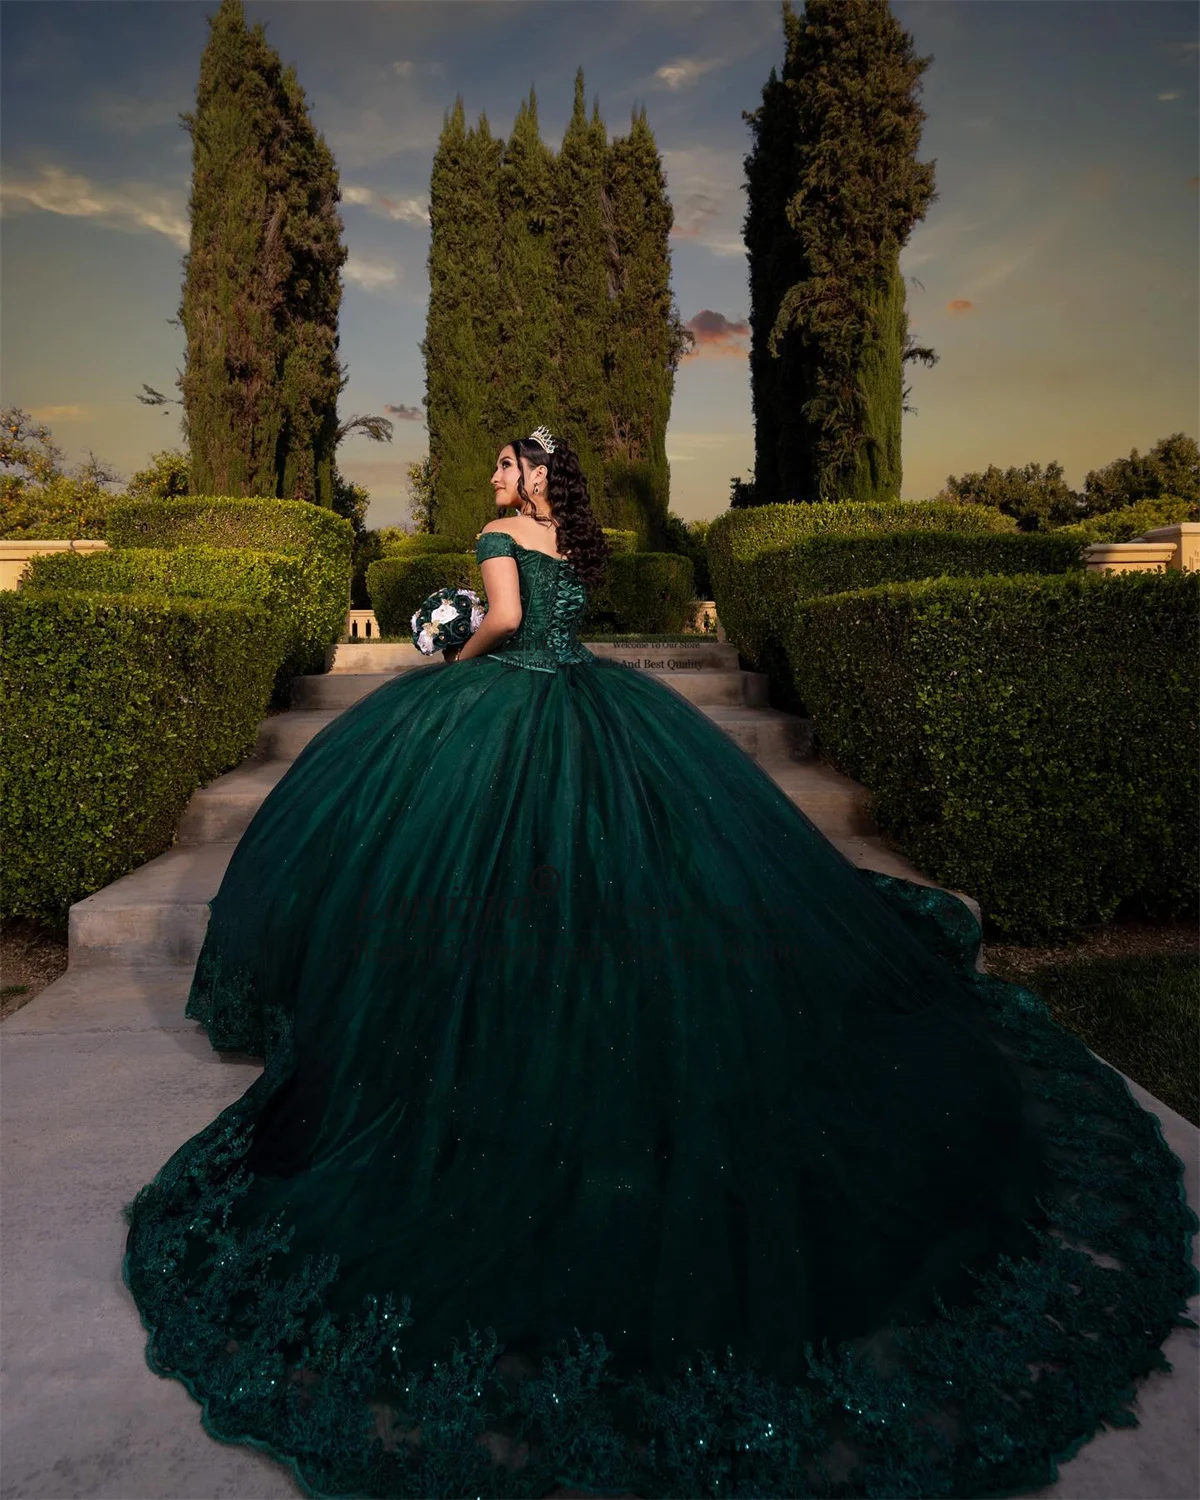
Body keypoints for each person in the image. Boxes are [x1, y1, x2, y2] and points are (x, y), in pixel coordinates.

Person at [122, 428, 1197, 1500]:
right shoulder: (572, 543)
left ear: (531, 475)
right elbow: (553, 618)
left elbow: (500, 619)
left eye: (506, 464)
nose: (494, 480)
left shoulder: (500, 532)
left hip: (506, 705)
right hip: (590, 701)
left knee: (460, 863)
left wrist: (449, 653)